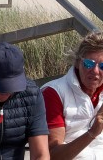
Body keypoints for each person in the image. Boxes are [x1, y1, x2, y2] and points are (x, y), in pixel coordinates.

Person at [41, 31, 103, 159]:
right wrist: (92, 133)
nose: (95, 71)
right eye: (88, 64)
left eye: (102, 66)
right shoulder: (53, 93)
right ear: (77, 62)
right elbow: (52, 155)